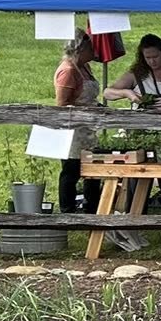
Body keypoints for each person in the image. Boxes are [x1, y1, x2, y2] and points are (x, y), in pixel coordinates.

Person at [53, 32, 101, 214]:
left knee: (93, 167)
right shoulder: (69, 70)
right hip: (72, 129)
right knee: (71, 170)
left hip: (88, 128)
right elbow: (62, 104)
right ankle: (67, 209)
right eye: (90, 48)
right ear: (80, 49)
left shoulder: (85, 67)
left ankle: (92, 206)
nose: (93, 51)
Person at [104, 34, 161, 108]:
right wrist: (127, 93)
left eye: (155, 57)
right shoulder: (136, 74)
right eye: (148, 58)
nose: (152, 61)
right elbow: (107, 93)